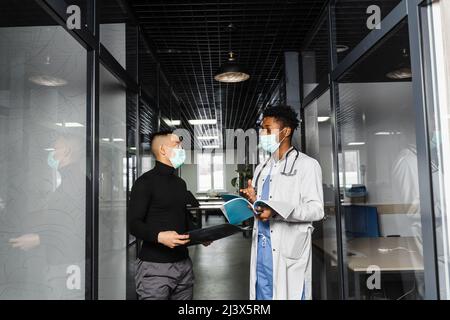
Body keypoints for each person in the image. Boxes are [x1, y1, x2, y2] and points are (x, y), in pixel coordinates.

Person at [240, 105, 324, 300]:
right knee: (263, 295)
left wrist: (277, 212)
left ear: (285, 131)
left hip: (288, 251)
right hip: (262, 250)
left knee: (290, 294)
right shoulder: (262, 168)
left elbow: (317, 210)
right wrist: (254, 200)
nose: (262, 134)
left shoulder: (307, 165)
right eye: (262, 129)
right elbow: (265, 203)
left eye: (268, 129)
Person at [128, 130, 210, 300]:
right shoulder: (144, 183)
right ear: (163, 150)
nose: (181, 148)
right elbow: (134, 224)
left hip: (184, 266)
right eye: (177, 144)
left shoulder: (180, 183)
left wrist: (200, 235)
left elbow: (183, 220)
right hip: (154, 269)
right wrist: (159, 237)